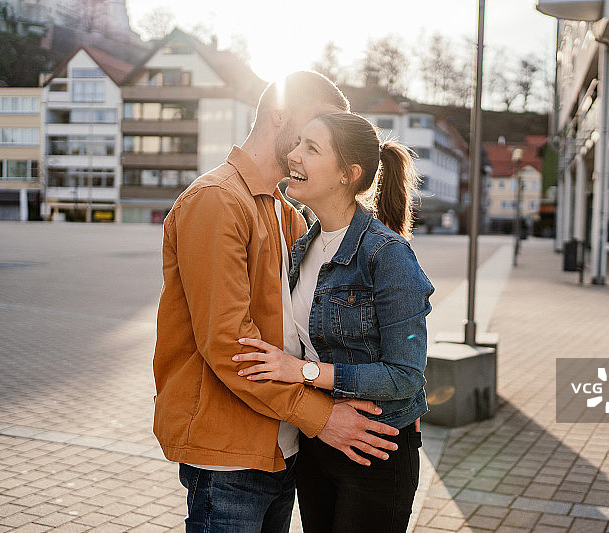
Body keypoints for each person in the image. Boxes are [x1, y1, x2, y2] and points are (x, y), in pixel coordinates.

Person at [152, 73, 400, 533]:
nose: (318, 142)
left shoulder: (286, 212)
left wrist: (401, 396)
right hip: (228, 459)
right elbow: (230, 344)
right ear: (279, 116)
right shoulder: (217, 201)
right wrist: (322, 418)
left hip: (282, 448)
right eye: (313, 126)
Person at [232, 112, 434, 533]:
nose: (293, 155)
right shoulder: (302, 247)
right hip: (318, 442)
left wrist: (302, 372)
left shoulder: (387, 254)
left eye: (311, 148)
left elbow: (405, 375)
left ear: (348, 174)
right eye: (297, 143)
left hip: (375, 449)